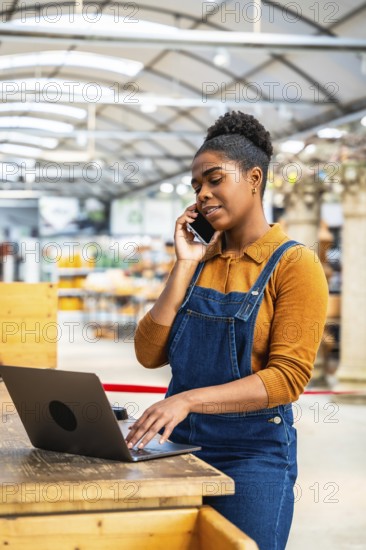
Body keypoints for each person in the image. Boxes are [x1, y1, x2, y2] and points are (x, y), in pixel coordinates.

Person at [127, 111, 329, 550]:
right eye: (197, 186)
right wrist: (184, 264)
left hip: (252, 454)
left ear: (254, 178)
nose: (202, 194)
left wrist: (186, 400)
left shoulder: (295, 265)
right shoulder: (200, 261)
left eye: (215, 179)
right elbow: (148, 353)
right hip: (179, 446)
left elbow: (287, 378)